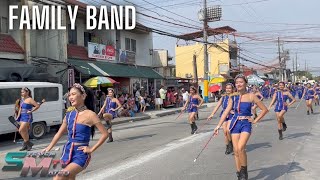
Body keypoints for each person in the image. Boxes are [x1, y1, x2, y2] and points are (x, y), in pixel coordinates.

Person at [42, 83, 108, 180]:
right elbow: (59, 133)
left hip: (80, 154)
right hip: (67, 152)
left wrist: (91, 149)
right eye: (69, 95)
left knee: (59, 177)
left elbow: (105, 134)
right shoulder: (69, 114)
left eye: (73, 94)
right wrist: (48, 147)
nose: (70, 97)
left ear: (83, 96)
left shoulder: (90, 115)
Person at [213, 74, 268, 180]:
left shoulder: (251, 96)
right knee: (236, 150)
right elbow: (225, 112)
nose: (238, 84)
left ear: (246, 83)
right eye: (237, 82)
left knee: (240, 147)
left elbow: (264, 109)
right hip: (235, 123)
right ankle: (239, 173)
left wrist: (255, 120)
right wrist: (218, 126)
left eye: (241, 82)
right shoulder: (233, 96)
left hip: (246, 124)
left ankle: (244, 171)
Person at [207, 83, 235, 155]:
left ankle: (231, 143)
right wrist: (212, 114)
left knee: (228, 130)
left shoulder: (235, 97)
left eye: (230, 88)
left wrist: (234, 111)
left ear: (232, 89)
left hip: (231, 115)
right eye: (227, 88)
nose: (228, 89)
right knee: (225, 132)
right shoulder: (223, 97)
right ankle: (228, 146)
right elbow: (217, 106)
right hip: (224, 115)